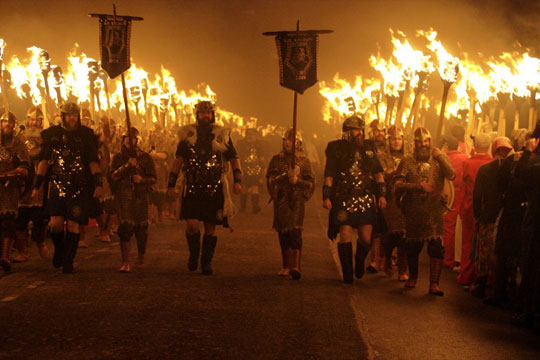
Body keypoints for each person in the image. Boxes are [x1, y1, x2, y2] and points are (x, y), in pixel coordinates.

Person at [167, 101, 242, 275]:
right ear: (197, 115)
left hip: (214, 186)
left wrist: (237, 180)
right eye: (202, 113)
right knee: (192, 225)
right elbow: (178, 161)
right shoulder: (188, 136)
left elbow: (234, 158)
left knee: (210, 227)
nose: (205, 116)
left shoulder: (222, 135)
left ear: (212, 114)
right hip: (192, 185)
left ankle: (206, 262)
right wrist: (171, 183)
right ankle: (194, 255)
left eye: (208, 113)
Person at [32, 102, 103, 274]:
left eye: (75, 115)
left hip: (79, 187)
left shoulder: (86, 136)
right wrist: (37, 186)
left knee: (73, 224)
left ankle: (68, 261)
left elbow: (93, 162)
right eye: (69, 115)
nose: (73, 118)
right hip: (57, 185)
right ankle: (60, 251)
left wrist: (99, 183)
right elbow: (43, 162)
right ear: (63, 116)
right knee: (55, 224)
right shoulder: (52, 135)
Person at [323, 115, 387, 284]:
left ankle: (359, 260)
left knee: (366, 237)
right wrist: (326, 196)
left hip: (364, 197)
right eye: (354, 130)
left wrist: (381, 194)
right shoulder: (336, 149)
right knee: (344, 234)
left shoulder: (368, 148)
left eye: (359, 130)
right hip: (344, 197)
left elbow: (378, 174)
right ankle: (348, 273)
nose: (358, 133)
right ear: (347, 132)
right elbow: (329, 174)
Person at [394, 127, 455, 295]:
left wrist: (441, 157)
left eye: (426, 141)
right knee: (413, 248)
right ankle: (413, 277)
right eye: (420, 141)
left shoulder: (438, 160)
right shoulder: (407, 161)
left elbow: (452, 175)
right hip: (414, 210)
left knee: (436, 248)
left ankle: (434, 284)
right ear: (415, 143)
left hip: (434, 211)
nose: (423, 144)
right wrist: (418, 186)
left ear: (430, 142)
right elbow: (397, 184)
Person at [266, 129, 314, 279]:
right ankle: (286, 266)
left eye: (292, 140)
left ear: (298, 143)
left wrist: (297, 181)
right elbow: (271, 180)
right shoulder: (276, 159)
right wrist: (286, 176)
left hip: (297, 199)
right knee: (284, 233)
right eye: (286, 140)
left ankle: (296, 267)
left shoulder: (305, 161)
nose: (288, 143)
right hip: (281, 198)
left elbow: (310, 184)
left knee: (295, 232)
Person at [109, 127, 156, 273]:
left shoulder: (145, 157)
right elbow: (112, 176)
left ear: (137, 140)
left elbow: (153, 178)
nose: (130, 140)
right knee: (125, 229)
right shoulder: (117, 158)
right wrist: (127, 166)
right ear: (123, 140)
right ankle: (126, 262)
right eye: (127, 138)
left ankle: (141, 257)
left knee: (141, 230)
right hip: (124, 196)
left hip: (141, 196)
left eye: (133, 138)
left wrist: (141, 180)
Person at [456, 133, 493, 287]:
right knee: (483, 243)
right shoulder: (493, 163)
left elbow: (463, 184)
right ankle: (480, 275)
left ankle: (466, 274)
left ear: (475, 146)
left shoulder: (468, 163)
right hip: (487, 207)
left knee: (468, 242)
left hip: (469, 205)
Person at [14, 107, 49, 262]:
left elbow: (45, 156)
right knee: (20, 219)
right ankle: (22, 251)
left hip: (39, 183)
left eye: (37, 119)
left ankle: (41, 243)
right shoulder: (19, 138)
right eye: (32, 119)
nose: (34, 122)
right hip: (22, 183)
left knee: (39, 219)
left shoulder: (46, 138)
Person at [0, 111, 30, 273]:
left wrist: (7, 175)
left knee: (7, 222)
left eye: (10, 123)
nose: (7, 125)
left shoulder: (18, 144)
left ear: (14, 125)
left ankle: (5, 257)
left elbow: (24, 168)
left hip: (9, 188)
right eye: (4, 122)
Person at [378, 125, 408, 281]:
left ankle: (403, 269)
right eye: (393, 139)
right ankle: (387, 261)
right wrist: (394, 171)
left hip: (406, 200)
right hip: (390, 199)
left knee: (405, 235)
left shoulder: (409, 157)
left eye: (399, 138)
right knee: (391, 234)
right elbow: (380, 176)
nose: (396, 142)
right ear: (388, 141)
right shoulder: (382, 156)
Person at [237, 128, 266, 213]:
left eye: (252, 134)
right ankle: (243, 207)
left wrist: (264, 168)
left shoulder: (259, 145)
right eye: (248, 134)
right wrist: (239, 168)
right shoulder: (241, 144)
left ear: (256, 136)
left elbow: (262, 157)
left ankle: (255, 207)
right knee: (244, 188)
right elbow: (238, 157)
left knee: (255, 187)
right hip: (244, 168)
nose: (250, 136)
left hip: (256, 169)